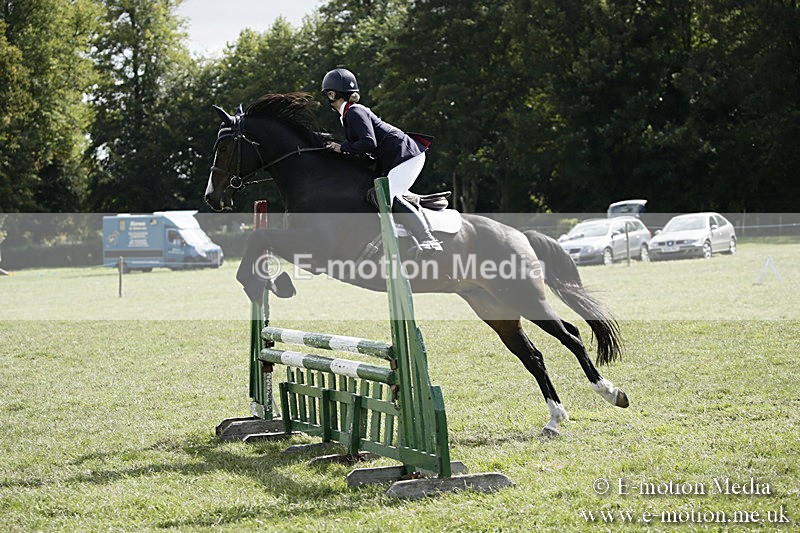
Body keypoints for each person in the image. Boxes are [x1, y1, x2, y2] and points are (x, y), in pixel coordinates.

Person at [321, 67, 442, 254]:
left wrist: (341, 147)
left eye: (328, 94)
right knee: (372, 193)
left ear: (332, 94)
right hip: (395, 158)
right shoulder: (348, 114)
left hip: (406, 155)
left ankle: (428, 240)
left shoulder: (354, 111)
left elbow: (369, 142)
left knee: (386, 196)